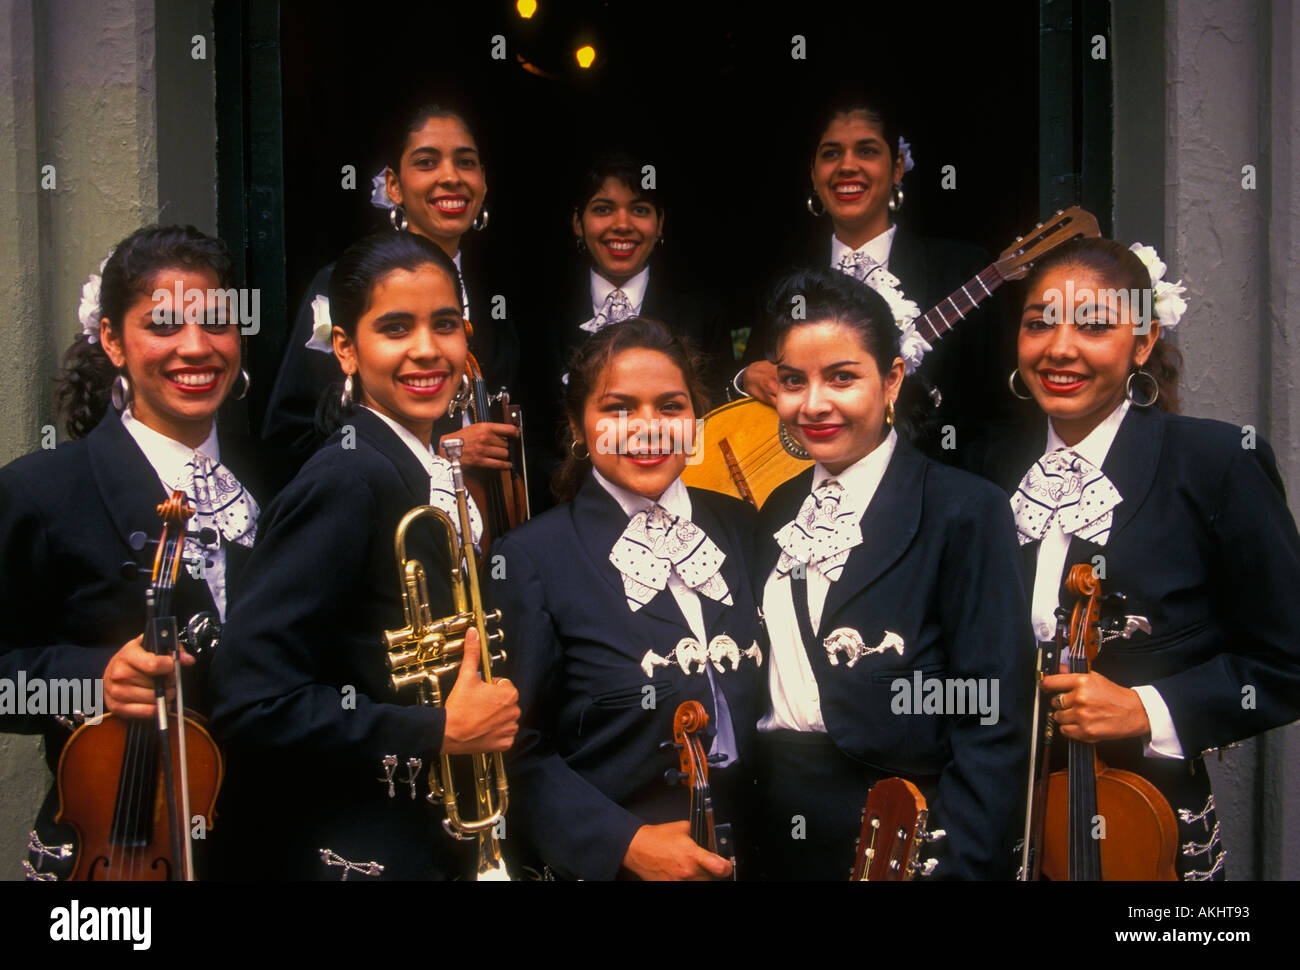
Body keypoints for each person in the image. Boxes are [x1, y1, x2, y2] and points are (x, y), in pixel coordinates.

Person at [984, 237, 1300, 880]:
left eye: (1095, 325)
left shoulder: (1216, 463)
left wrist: (1147, 708)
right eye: (1039, 323)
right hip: (1000, 828)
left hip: (1144, 832)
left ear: (1144, 341)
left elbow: (1288, 659)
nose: (1060, 348)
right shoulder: (988, 468)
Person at [208, 232, 519, 880]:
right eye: (395, 328)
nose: (427, 350)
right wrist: (435, 731)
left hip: (421, 838)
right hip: (353, 850)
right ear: (346, 348)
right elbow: (249, 702)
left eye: (445, 325)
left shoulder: (418, 464)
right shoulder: (345, 479)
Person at [0, 225, 281, 880]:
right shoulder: (39, 490)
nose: (196, 347)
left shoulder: (281, 477)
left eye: (216, 322)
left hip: (278, 842)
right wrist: (92, 677)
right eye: (162, 325)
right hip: (123, 848)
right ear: (111, 341)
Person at [753, 266, 1033, 880]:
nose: (814, 404)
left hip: (907, 830)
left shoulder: (964, 509)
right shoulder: (776, 508)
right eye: (794, 381)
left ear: (892, 380)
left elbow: (992, 711)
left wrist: (958, 861)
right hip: (779, 828)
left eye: (842, 377)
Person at [490, 317, 764, 880]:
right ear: (576, 424)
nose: (648, 429)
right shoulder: (530, 558)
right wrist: (624, 843)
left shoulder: (743, 526)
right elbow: (512, 750)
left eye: (670, 406)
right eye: (617, 409)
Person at [733, 87, 1019, 462]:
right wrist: (746, 378)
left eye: (866, 151)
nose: (847, 166)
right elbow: (746, 384)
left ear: (897, 167)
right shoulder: (786, 282)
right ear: (814, 173)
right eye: (831, 153)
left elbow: (1003, 420)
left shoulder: (961, 269)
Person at [261, 102, 520, 475]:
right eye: (426, 162)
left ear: (483, 181)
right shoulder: (343, 283)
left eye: (465, 162)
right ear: (394, 186)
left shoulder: (493, 299)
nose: (451, 177)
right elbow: (292, 435)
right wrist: (439, 453)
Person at [520, 151, 731, 511]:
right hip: (567, 507)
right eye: (603, 209)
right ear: (577, 222)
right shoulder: (540, 316)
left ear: (660, 223)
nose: (622, 224)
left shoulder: (701, 314)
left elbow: (715, 425)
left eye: (640, 209)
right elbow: (532, 435)